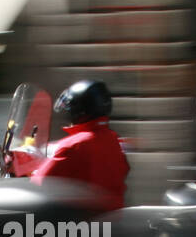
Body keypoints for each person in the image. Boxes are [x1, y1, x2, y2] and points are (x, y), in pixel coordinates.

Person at [20, 79, 130, 212]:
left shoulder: (73, 145)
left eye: (70, 109)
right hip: (112, 220)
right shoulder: (114, 139)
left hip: (79, 225)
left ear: (79, 111)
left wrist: (30, 172)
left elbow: (39, 184)